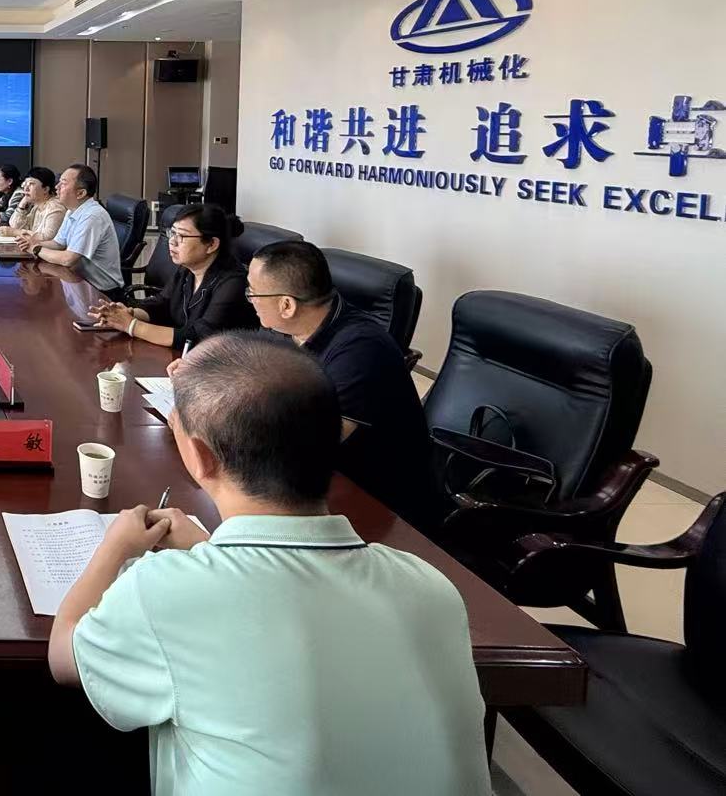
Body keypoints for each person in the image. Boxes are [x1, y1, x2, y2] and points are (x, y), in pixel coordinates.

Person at [48, 331, 491, 796]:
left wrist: (116, 546)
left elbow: (64, 654)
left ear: (199, 456)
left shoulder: (163, 591)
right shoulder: (430, 587)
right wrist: (208, 548)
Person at [247, 241, 446, 531]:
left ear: (286, 305)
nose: (250, 299)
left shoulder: (361, 349)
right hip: (316, 481)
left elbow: (314, 442)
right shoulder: (286, 330)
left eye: (253, 292)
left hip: (379, 505)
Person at [89, 204, 257, 349]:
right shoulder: (188, 269)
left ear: (212, 244)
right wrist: (128, 313)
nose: (172, 241)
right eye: (172, 233)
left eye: (182, 236)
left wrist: (131, 325)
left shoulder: (234, 282)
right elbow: (162, 304)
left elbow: (199, 337)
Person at [18, 163, 124, 294]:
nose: (56, 187)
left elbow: (68, 259)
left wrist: (36, 249)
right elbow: (58, 243)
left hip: (101, 291)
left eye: (63, 183)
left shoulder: (92, 216)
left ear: (80, 193)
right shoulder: (72, 210)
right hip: (77, 281)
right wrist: (32, 243)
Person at [8, 166, 67, 241]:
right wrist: (22, 204)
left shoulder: (55, 207)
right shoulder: (36, 207)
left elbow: (47, 238)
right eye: (25, 184)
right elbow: (15, 225)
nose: (26, 188)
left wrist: (16, 232)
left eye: (31, 184)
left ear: (45, 189)